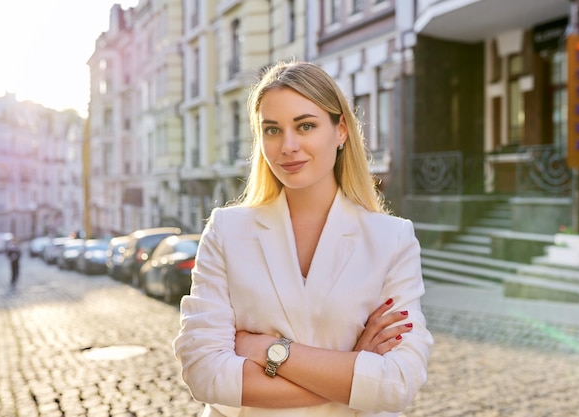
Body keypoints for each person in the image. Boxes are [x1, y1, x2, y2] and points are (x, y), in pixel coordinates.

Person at [173, 60, 433, 416]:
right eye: (272, 130)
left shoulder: (391, 239)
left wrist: (268, 349)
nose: (288, 146)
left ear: (340, 130)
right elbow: (204, 374)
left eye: (305, 125)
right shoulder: (226, 231)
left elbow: (399, 381)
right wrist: (353, 373)